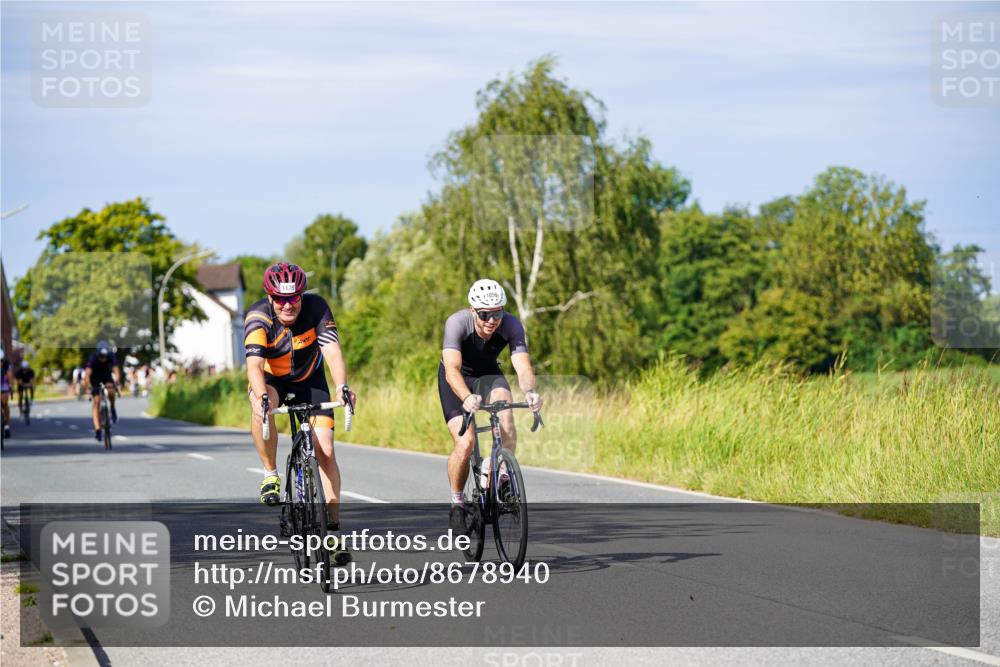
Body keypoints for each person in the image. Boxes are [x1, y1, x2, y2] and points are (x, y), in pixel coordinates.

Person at [244, 262, 356, 564]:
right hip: (273, 380)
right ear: (270, 298)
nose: (287, 304)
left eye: (294, 297)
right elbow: (254, 366)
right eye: (280, 299)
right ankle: (270, 473)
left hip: (311, 380)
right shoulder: (258, 318)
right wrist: (261, 397)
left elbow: (332, 352)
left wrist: (343, 387)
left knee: (327, 451)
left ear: (302, 295)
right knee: (262, 404)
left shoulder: (317, 308)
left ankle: (333, 531)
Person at [439, 279, 542, 535]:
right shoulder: (457, 323)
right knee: (466, 443)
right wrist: (465, 396)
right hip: (456, 379)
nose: (492, 320)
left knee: (506, 418)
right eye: (485, 314)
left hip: (488, 375)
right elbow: (451, 368)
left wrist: (530, 392)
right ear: (473, 311)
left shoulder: (511, 324)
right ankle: (457, 502)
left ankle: (501, 474)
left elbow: (522, 365)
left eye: (497, 312)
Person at [84, 342, 121, 442]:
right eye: (101, 356)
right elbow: (87, 374)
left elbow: (116, 371)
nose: (103, 359)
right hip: (95, 379)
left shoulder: (111, 356)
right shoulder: (92, 358)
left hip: (106, 377)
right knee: (96, 401)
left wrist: (116, 382)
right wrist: (88, 386)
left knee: (111, 391)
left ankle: (112, 407)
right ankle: (98, 430)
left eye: (104, 356)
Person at [1, 351, 12, 439]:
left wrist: (11, 386)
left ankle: (6, 426)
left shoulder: (7, 364)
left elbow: (9, 375)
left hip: (3, 387)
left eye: (1, 361)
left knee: (4, 404)